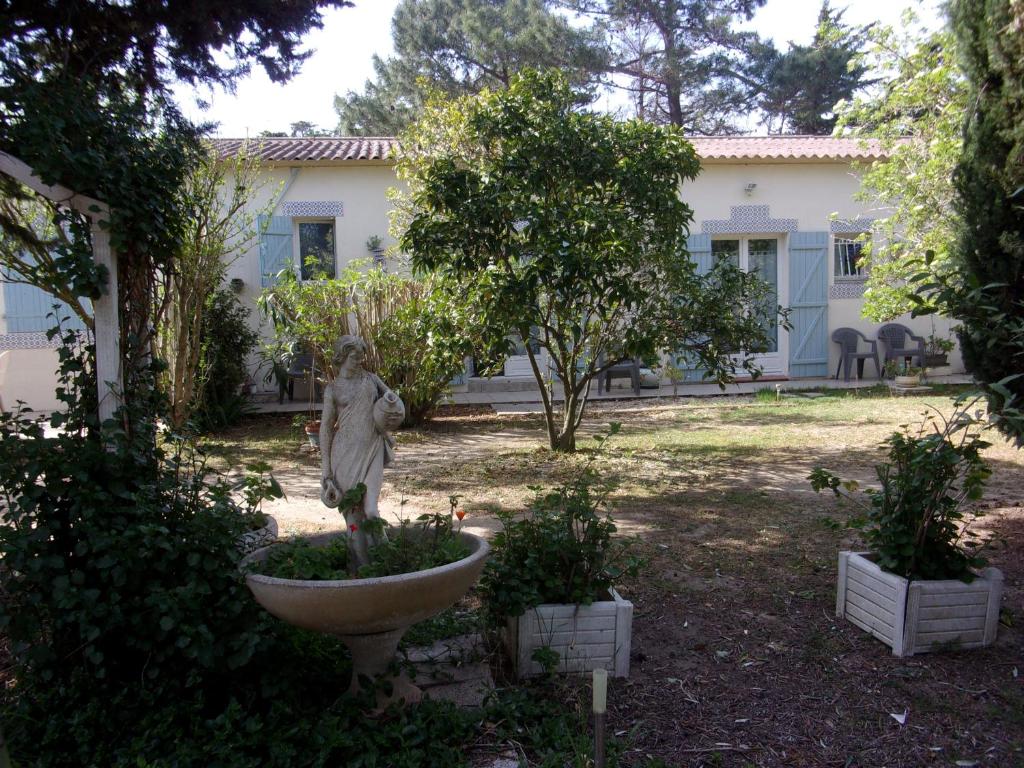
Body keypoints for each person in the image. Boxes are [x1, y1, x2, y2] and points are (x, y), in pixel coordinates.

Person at [319, 336, 404, 534]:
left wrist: (392, 410)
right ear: (342, 357)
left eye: (361, 357)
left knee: (371, 510)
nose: (359, 361)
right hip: (344, 454)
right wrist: (326, 470)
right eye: (354, 357)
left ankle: (384, 556)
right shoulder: (333, 389)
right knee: (352, 516)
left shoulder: (371, 379)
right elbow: (325, 428)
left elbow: (393, 400)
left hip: (372, 447)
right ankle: (358, 560)